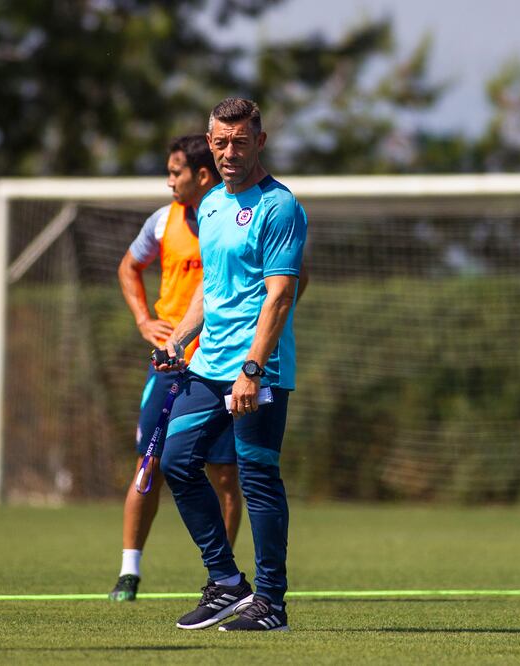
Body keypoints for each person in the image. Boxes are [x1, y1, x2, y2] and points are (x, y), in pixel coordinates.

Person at [156, 98, 307, 632]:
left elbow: (282, 293)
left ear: (259, 142)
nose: (228, 152)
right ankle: (225, 582)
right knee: (175, 461)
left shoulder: (280, 206)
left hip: (255, 368)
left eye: (239, 142)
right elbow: (210, 284)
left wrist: (253, 368)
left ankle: (272, 604)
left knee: (258, 477)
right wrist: (179, 338)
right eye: (219, 142)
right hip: (208, 364)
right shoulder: (213, 204)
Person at [109, 136, 243, 602]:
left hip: (226, 365)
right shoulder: (163, 222)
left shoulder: (235, 218)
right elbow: (129, 268)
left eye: (176, 172)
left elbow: (293, 276)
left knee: (225, 474)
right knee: (151, 465)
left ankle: (221, 579)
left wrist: (265, 328)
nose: (169, 180)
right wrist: (145, 320)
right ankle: (128, 572)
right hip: (173, 364)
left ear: (202, 176)